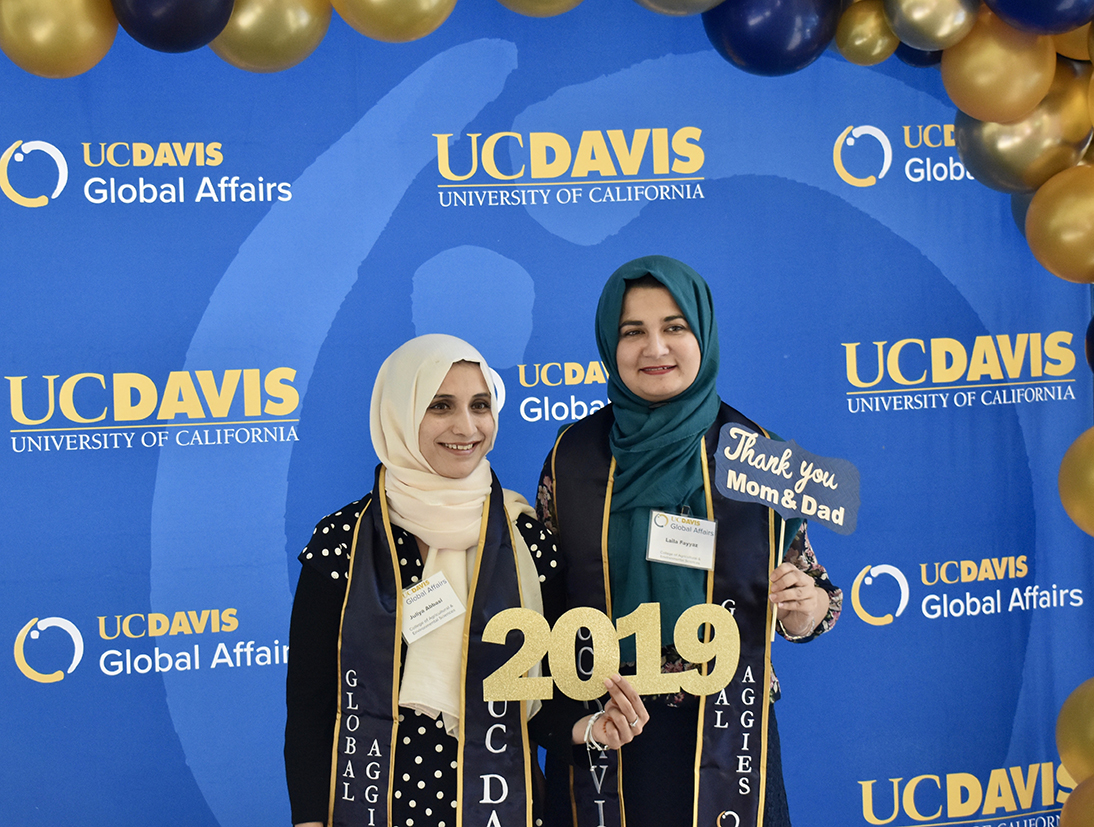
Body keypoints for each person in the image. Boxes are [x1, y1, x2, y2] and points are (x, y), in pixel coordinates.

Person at [284, 333, 648, 827]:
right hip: (373, 810)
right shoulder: (342, 543)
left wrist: (589, 728)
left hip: (503, 808)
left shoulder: (529, 543)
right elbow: (310, 706)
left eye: (480, 405)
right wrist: (308, 819)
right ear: (400, 414)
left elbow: (544, 700)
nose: (466, 426)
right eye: (440, 406)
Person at [534, 256, 843, 827]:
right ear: (610, 342)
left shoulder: (757, 455)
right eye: (633, 331)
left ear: (702, 333)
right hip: (608, 720)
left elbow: (814, 592)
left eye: (674, 327)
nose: (655, 348)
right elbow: (541, 604)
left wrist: (806, 607)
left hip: (727, 734)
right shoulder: (572, 457)